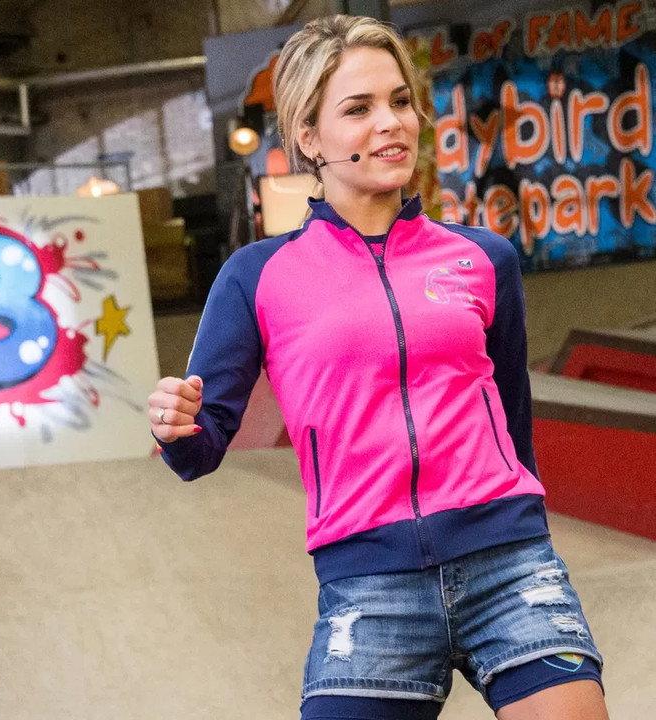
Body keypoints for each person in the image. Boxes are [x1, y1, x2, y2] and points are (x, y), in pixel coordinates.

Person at [149, 15, 608, 720]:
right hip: (368, 584)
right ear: (309, 137)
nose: (390, 122)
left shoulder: (483, 258)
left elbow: (513, 417)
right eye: (358, 109)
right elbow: (199, 448)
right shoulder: (256, 276)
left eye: (399, 101)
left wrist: (522, 524)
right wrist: (177, 426)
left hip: (509, 565)